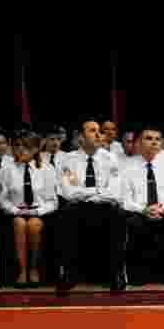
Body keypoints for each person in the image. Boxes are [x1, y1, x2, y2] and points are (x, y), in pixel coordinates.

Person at [54, 120, 125, 293]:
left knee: (117, 214)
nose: (99, 134)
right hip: (78, 207)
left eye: (99, 131)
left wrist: (87, 191)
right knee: (67, 213)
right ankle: (69, 274)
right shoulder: (68, 160)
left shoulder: (110, 158)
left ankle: (116, 274)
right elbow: (68, 192)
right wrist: (97, 191)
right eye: (93, 130)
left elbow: (115, 192)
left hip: (104, 206)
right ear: (80, 137)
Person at [119, 125, 164, 286]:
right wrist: (144, 210)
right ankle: (138, 276)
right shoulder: (127, 167)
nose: (154, 142)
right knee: (133, 222)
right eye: (149, 139)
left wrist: (161, 208)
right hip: (138, 211)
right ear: (138, 143)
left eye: (157, 139)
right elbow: (124, 199)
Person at [0, 134, 58, 287]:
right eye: (17, 146)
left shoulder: (46, 168)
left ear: (36, 149)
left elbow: (52, 201)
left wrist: (36, 212)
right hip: (15, 212)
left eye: (25, 147)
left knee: (33, 224)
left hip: (39, 213)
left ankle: (34, 268)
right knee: (19, 223)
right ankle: (22, 270)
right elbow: (2, 199)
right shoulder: (7, 169)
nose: (20, 150)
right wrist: (14, 210)